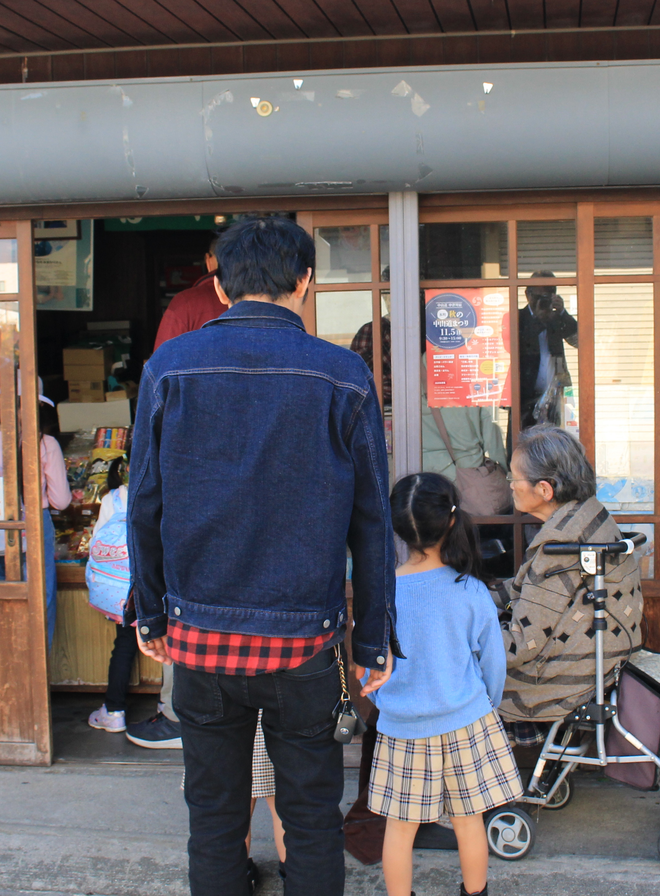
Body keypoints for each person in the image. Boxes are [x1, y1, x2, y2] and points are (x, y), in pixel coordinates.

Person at [129, 215, 398, 896]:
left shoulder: (170, 368)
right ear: (305, 282)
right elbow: (372, 519)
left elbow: (145, 505)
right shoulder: (343, 375)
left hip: (199, 637)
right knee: (311, 818)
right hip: (305, 641)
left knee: (213, 818)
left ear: (220, 287)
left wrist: (153, 613)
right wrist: (374, 640)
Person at [369, 472, 521, 896]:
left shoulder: (382, 595)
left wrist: (390, 700)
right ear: (452, 520)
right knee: (469, 822)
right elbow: (493, 664)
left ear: (397, 527)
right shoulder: (470, 589)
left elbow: (370, 670)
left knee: (399, 829)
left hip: (402, 728)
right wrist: (482, 704)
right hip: (466, 721)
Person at [127, 232, 223, 750]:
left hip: (189, 468)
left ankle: (180, 714)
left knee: (185, 583)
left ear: (211, 262)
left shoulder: (186, 305)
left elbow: (155, 387)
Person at [496, 425, 643, 742]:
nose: (509, 486)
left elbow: (524, 644)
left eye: (513, 478)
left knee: (443, 678)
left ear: (544, 490)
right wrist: (479, 594)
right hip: (602, 663)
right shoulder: (589, 515)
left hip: (559, 682)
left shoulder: (561, 544)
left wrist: (464, 641)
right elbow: (538, 596)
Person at [0, 385, 69, 648]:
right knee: (38, 598)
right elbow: (61, 500)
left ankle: (1, 670)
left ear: (1, 403)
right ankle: (36, 675)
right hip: (34, 525)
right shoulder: (46, 444)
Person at [86, 457, 136, 733]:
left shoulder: (112, 499)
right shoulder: (162, 490)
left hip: (121, 589)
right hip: (156, 582)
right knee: (170, 647)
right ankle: (170, 710)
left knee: (125, 646)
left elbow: (96, 542)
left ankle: (114, 711)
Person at [517, 271, 578, 432]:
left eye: (547, 296)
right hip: (525, 395)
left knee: (557, 440)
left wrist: (562, 313)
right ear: (527, 294)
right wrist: (537, 317)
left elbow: (580, 341)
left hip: (555, 394)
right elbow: (516, 345)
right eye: (538, 296)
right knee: (525, 441)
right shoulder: (518, 317)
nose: (542, 302)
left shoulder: (556, 317)